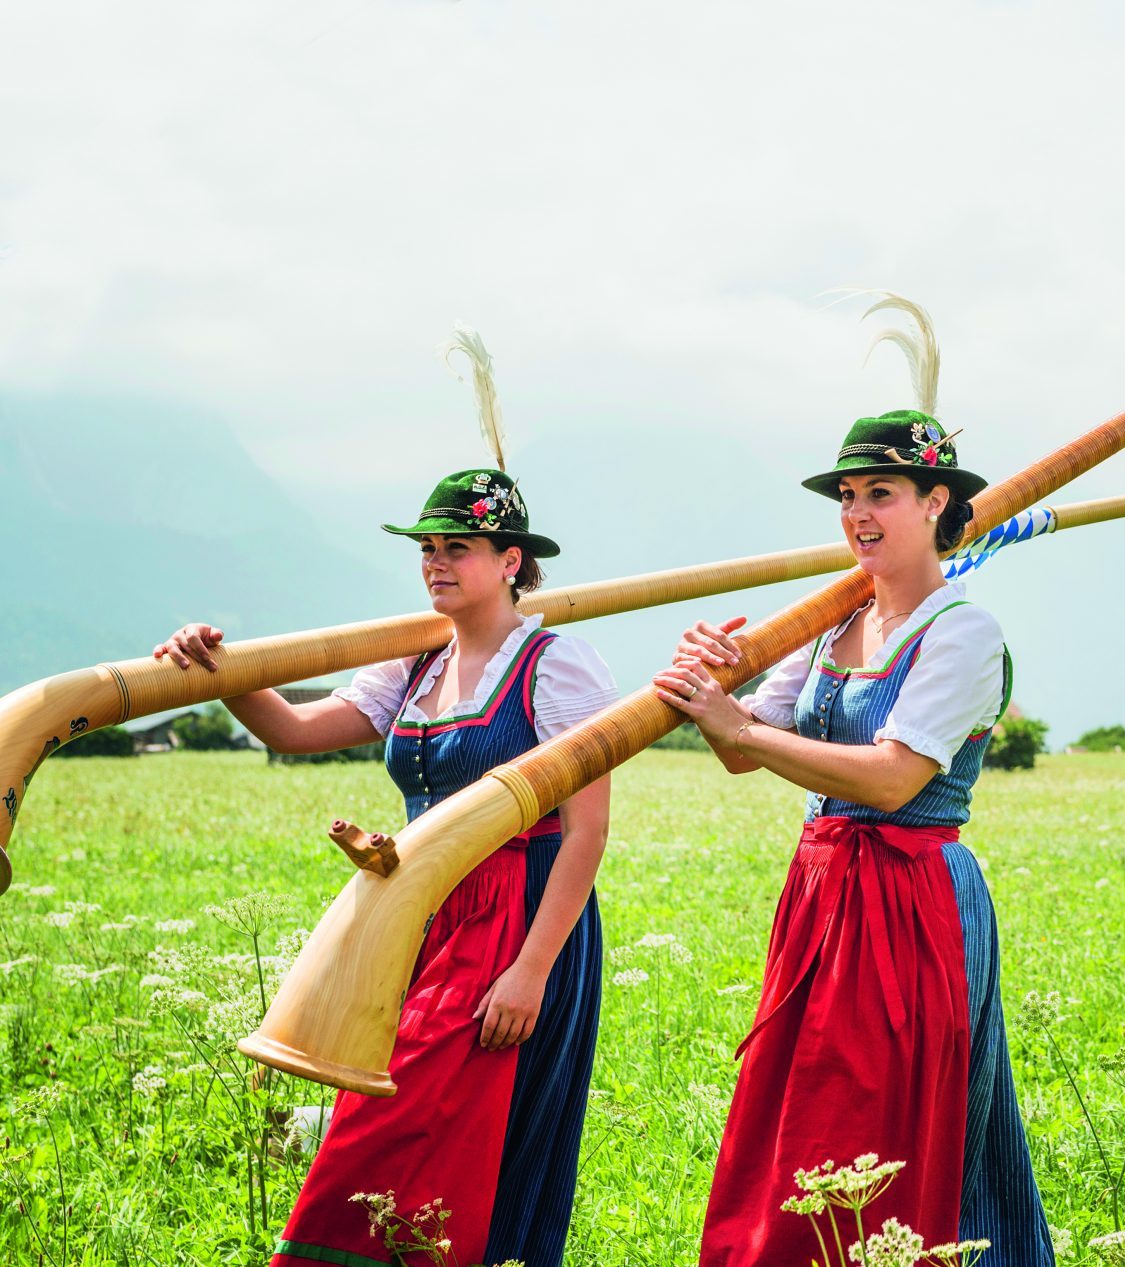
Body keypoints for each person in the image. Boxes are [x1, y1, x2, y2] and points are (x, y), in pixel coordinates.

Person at [155, 337, 617, 1266]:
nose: (438, 564)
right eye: (429, 549)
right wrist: (223, 673)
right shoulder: (415, 660)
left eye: (460, 548)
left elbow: (586, 833)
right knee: (382, 1120)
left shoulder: (557, 665)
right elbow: (295, 730)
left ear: (511, 559)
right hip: (419, 918)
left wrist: (531, 968)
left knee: (464, 1135)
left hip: (519, 915)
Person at [654, 296, 1054, 1265]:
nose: (858, 513)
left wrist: (732, 717)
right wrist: (720, 683)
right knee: (798, 1113)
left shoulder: (963, 630)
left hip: (910, 898)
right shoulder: (833, 622)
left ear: (934, 504)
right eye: (847, 495)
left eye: (881, 492)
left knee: (887, 1118)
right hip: (821, 893)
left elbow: (888, 778)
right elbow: (745, 746)